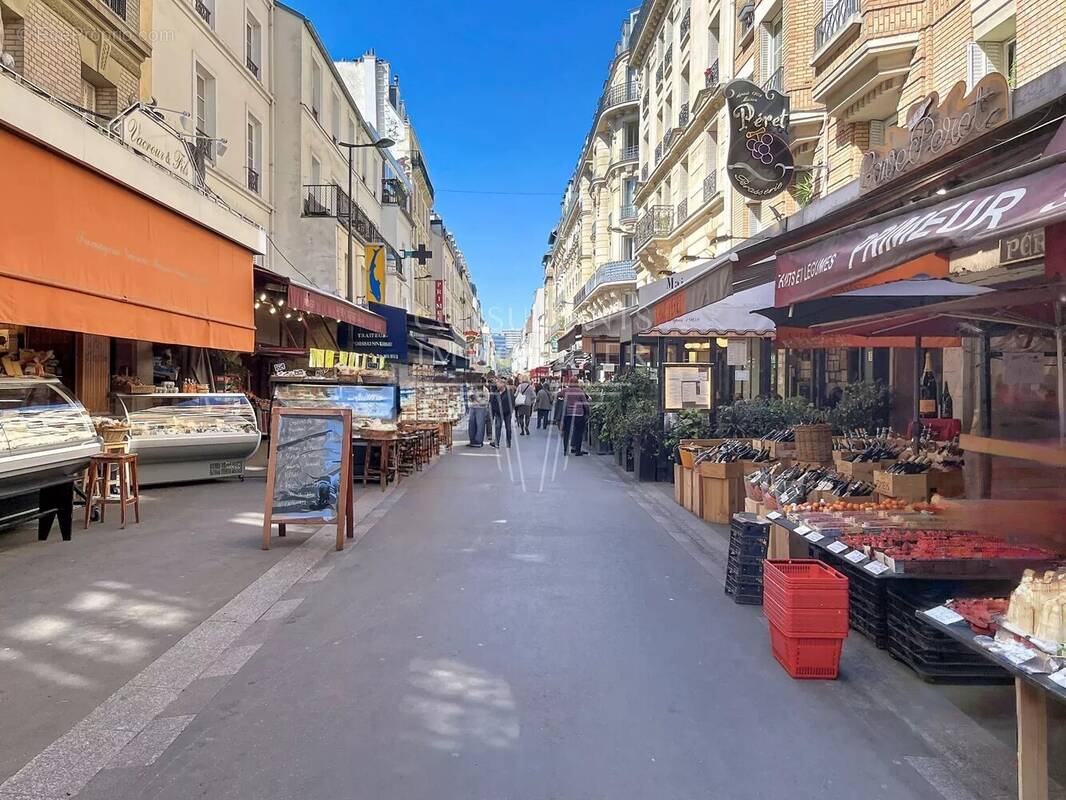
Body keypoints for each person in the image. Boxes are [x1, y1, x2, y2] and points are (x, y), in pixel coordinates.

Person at [560, 377, 590, 456]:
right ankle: (577, 450)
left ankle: (565, 450)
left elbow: (557, 396)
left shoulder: (565, 391)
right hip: (579, 414)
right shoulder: (580, 391)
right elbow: (585, 403)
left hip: (568, 414)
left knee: (566, 432)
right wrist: (588, 412)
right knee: (579, 432)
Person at [488, 378, 513, 448]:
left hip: (507, 413)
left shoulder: (509, 393)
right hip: (498, 413)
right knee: (498, 427)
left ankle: (508, 442)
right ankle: (496, 443)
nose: (497, 385)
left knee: (508, 428)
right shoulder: (496, 392)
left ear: (503, 384)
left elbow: (511, 403)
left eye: (498, 383)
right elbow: (492, 403)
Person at [467, 379, 489, 447]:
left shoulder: (485, 391)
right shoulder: (473, 388)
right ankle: (472, 440)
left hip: (481, 408)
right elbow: (469, 395)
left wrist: (477, 399)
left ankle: (479, 441)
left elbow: (485, 401)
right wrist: (470, 397)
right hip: (472, 407)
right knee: (471, 424)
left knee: (480, 425)